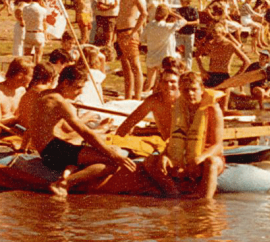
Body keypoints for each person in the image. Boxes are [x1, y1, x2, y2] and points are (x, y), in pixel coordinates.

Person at [25, 64, 136, 196]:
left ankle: (69, 172)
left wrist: (23, 146)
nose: (81, 92)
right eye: (78, 87)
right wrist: (114, 156)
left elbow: (32, 126)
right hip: (53, 152)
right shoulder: (60, 102)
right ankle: (64, 183)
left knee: (114, 150)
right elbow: (84, 131)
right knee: (113, 161)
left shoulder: (45, 95)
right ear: (65, 83)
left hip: (49, 149)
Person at [141, 72, 225, 200]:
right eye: (186, 90)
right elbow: (173, 139)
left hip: (205, 158)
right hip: (181, 160)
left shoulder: (213, 109)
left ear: (201, 89)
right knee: (150, 161)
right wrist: (164, 156)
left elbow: (218, 145)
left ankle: (205, 203)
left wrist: (200, 158)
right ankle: (173, 194)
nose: (190, 93)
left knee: (211, 163)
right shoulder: (177, 108)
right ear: (180, 90)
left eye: (194, 90)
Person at [116, 58, 185, 138]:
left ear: (179, 83)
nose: (168, 85)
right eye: (165, 81)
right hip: (167, 144)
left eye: (172, 82)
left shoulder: (185, 100)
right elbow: (130, 121)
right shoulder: (154, 101)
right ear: (160, 83)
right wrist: (115, 139)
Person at [114, 0, 147, 100]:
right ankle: (128, 96)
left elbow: (144, 13)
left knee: (135, 66)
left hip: (129, 31)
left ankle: (137, 97)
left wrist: (133, 32)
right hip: (120, 32)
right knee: (126, 67)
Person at [20, 0, 50, 64]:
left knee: (26, 56)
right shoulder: (42, 10)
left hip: (28, 33)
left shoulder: (25, 8)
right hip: (38, 33)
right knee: (38, 56)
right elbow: (44, 23)